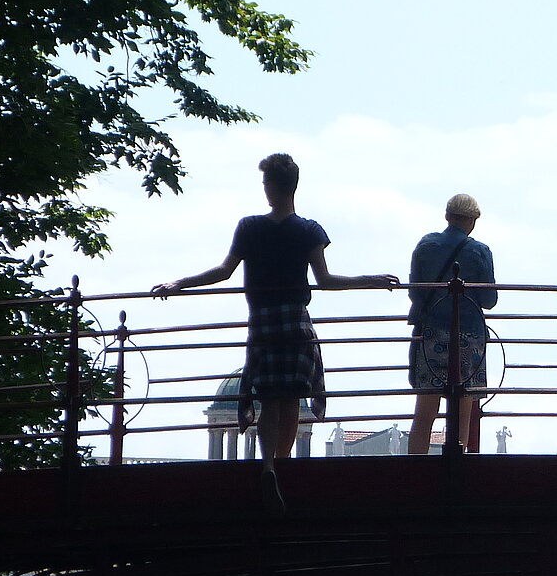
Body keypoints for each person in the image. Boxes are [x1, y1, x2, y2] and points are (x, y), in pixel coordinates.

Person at [152, 153, 398, 497]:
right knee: (291, 400)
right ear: (294, 186)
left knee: (269, 400)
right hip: (296, 319)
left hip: (262, 321)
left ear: (270, 187)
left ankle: (268, 466)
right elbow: (325, 280)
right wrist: (368, 279)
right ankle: (282, 467)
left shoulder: (249, 227)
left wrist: (179, 283)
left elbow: (223, 272)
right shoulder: (309, 230)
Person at [406, 193, 497, 453]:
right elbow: (489, 299)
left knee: (424, 411)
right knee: (462, 409)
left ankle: (417, 468)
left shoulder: (425, 246)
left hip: (431, 333)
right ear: (472, 221)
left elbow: (416, 293)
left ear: (447, 216)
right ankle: (459, 466)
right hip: (468, 335)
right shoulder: (480, 251)